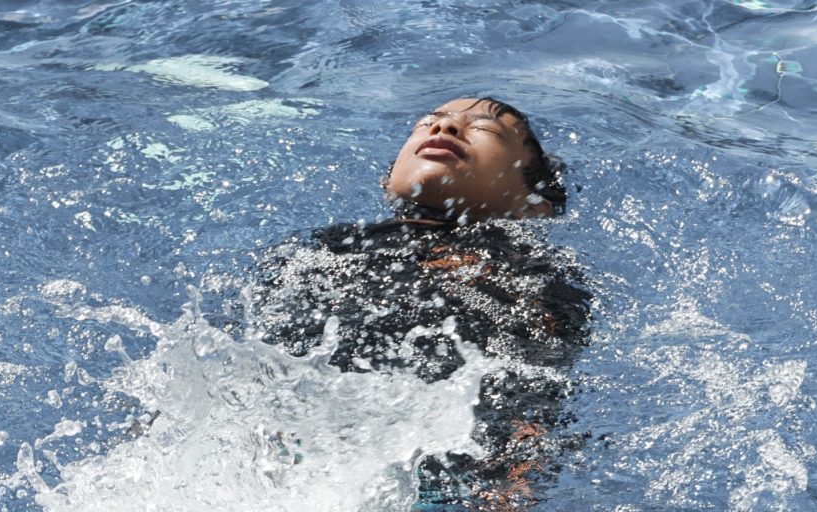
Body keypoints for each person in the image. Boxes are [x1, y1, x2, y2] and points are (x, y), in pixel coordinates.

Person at [249, 97, 591, 510]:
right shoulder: (328, 246)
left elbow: (538, 380)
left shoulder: (529, 273)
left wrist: (514, 481)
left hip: (432, 477)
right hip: (290, 448)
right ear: (388, 180)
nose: (442, 129)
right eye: (428, 122)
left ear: (535, 205)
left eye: (483, 129)